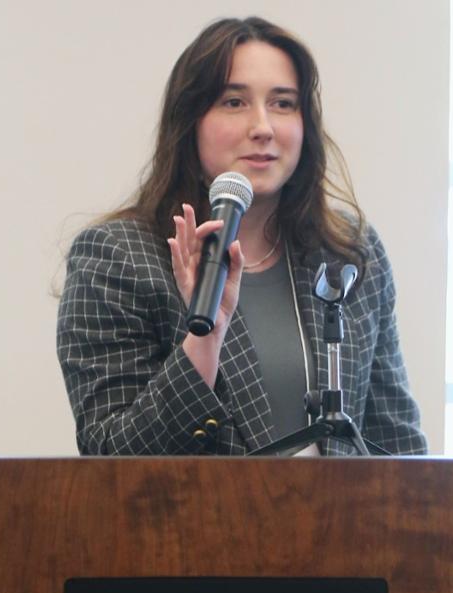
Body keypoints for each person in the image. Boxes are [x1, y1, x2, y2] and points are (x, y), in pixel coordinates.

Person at [56, 16, 427, 456]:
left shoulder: (349, 252)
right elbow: (110, 455)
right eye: (234, 102)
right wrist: (204, 341)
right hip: (188, 524)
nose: (263, 126)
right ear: (189, 122)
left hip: (338, 525)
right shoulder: (117, 258)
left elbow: (397, 446)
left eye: (284, 104)